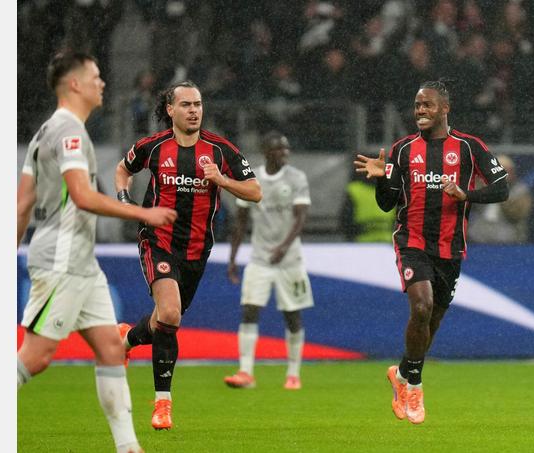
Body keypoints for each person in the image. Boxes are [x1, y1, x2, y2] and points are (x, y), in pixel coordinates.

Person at [17, 51, 178, 453]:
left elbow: (22, 203)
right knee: (35, 358)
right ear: (74, 84)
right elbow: (83, 196)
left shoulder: (45, 132)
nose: (102, 82)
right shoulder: (69, 132)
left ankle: (129, 447)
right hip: (62, 259)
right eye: (94, 75)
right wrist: (144, 211)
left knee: (110, 347)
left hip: (81, 263)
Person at [353, 80, 509, 424]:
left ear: (444, 109)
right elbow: (386, 204)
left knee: (433, 320)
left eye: (427, 105)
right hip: (412, 241)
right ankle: (416, 384)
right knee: (421, 307)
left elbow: (502, 188)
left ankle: (404, 374)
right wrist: (381, 178)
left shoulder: (469, 147)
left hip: (451, 247)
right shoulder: (403, 149)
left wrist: (467, 195)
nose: (421, 111)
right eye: (417, 105)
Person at [114, 80, 262, 430]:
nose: (194, 110)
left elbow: (255, 191)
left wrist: (223, 182)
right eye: (186, 105)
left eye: (198, 104)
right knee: (169, 312)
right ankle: (162, 404)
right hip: (158, 239)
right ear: (170, 110)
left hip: (197, 250)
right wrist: (124, 200)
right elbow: (123, 170)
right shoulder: (152, 147)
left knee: (167, 321)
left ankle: (125, 338)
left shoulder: (220, 150)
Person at [222, 131, 314, 391]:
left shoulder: (296, 178)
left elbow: (301, 217)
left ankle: (293, 373)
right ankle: (245, 372)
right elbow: (240, 221)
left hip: (289, 261)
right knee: (249, 310)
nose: (285, 153)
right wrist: (232, 258)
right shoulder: (252, 180)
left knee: (292, 315)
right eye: (279, 149)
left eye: (286, 148)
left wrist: (284, 247)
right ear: (266, 152)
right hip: (260, 258)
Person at [468, 154, 534, 244]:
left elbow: (518, 214)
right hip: (481, 229)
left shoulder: (520, 191)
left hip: (507, 229)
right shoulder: (481, 186)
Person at [340, 165, 396, 242]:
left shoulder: (391, 190)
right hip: (365, 245)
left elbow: (345, 222)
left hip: (381, 245)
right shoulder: (354, 190)